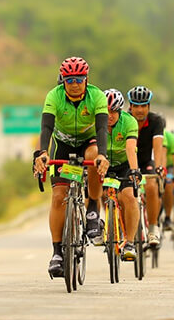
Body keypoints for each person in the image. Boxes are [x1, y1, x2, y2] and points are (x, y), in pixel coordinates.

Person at [33, 57, 109, 278]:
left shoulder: (97, 96)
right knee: (58, 196)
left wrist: (103, 155)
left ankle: (93, 209)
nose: (75, 84)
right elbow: (46, 127)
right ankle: (57, 252)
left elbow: (103, 128)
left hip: (89, 142)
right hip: (63, 145)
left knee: (94, 156)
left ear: (86, 79)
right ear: (62, 80)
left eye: (79, 79)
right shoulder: (54, 96)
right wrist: (42, 153)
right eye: (69, 80)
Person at [100, 89, 142, 259]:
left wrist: (134, 170)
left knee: (129, 197)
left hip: (124, 164)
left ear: (119, 111)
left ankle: (130, 242)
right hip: (103, 163)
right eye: (106, 112)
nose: (109, 116)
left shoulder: (129, 122)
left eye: (113, 112)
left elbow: (131, 148)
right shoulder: (96, 121)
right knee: (95, 194)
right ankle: (100, 224)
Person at [127, 85, 165, 247]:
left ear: (149, 106)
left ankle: (153, 228)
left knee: (151, 186)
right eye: (136, 105)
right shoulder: (124, 119)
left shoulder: (156, 121)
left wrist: (159, 167)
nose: (140, 110)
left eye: (143, 106)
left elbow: (158, 147)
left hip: (146, 162)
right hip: (127, 162)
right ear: (130, 107)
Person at [160, 128, 174, 231]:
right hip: (150, 162)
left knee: (168, 185)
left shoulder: (171, 138)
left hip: (168, 167)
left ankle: (167, 217)